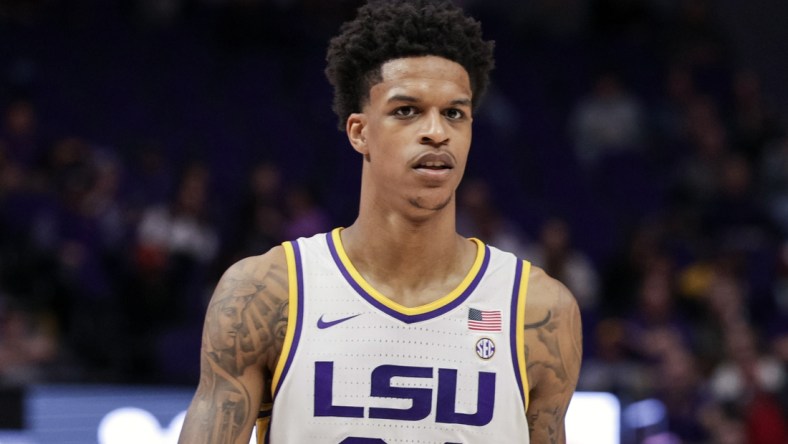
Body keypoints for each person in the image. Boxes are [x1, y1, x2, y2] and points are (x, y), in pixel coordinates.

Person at [178, 1, 582, 443]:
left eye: (454, 113)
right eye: (406, 110)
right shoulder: (266, 293)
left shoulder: (539, 310)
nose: (437, 132)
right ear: (359, 132)